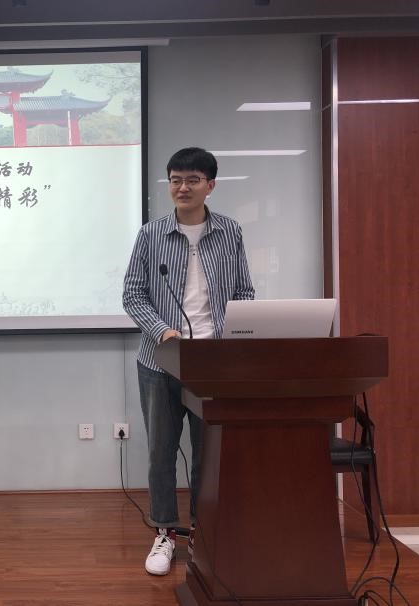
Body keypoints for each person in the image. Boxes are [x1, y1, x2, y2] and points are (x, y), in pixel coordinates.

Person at [122, 147, 254, 575]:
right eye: (176, 179)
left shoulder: (230, 232)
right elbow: (132, 294)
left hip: (213, 362)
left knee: (207, 455)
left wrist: (235, 336)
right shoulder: (151, 234)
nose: (182, 187)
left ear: (210, 185)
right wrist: (163, 330)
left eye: (192, 179)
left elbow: (245, 292)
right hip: (161, 359)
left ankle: (203, 531)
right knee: (161, 451)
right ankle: (164, 533)